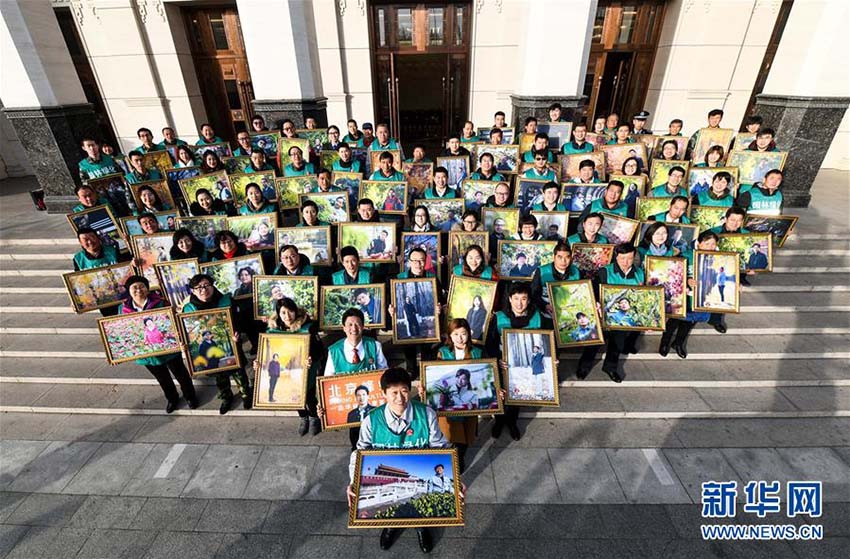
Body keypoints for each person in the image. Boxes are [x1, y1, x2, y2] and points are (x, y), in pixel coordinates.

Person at [346, 368, 456, 554]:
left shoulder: (426, 414)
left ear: (409, 390)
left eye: (404, 391)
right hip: (391, 475)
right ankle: (390, 526)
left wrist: (456, 479)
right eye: (394, 392)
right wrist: (354, 481)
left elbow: (441, 449)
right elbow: (359, 453)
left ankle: (422, 527)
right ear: (384, 393)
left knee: (420, 508)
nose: (400, 398)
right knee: (392, 510)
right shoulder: (371, 420)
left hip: (417, 470)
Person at [120, 275, 198, 412]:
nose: (139, 290)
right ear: (129, 290)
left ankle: (190, 396)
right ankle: (172, 398)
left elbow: (173, 322)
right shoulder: (124, 309)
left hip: (168, 348)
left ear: (147, 288)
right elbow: (124, 330)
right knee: (162, 378)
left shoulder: (161, 303)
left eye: (142, 286)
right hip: (146, 353)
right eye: (134, 287)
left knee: (180, 373)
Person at [181, 274, 253, 414]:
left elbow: (239, 319)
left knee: (239, 372)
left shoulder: (226, 301)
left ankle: (246, 395)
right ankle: (226, 397)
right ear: (193, 291)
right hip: (211, 353)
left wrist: (237, 332)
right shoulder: (189, 309)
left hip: (232, 344)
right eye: (198, 287)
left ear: (213, 286)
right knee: (219, 376)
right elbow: (188, 332)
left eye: (206, 285)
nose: (203, 290)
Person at [576, 243, 644, 382]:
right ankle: (584, 367)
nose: (626, 262)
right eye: (622, 258)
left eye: (630, 258)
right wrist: (597, 303)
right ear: (616, 257)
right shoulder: (605, 271)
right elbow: (595, 291)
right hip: (603, 314)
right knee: (594, 342)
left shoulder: (639, 273)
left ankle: (610, 367)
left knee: (617, 344)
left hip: (623, 317)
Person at [486, 282, 544, 441]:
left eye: (523, 299)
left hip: (525, 363)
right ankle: (499, 422)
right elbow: (490, 343)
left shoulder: (536, 317)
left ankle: (512, 423)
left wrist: (551, 358)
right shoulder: (499, 317)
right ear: (510, 299)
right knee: (501, 394)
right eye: (516, 298)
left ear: (529, 300)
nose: (519, 303)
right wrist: (497, 360)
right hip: (503, 363)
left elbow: (545, 341)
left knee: (517, 395)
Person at [263, 297, 324, 435]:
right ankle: (303, 417)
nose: (287, 316)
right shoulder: (273, 330)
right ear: (278, 313)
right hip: (286, 369)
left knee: (309, 396)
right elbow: (268, 352)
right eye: (283, 312)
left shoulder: (307, 327)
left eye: (290, 311)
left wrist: (311, 358)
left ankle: (314, 417)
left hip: (306, 370)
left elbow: (319, 350)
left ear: (295, 311)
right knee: (294, 395)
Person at [659, 231, 722, 358]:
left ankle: (678, 343)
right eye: (707, 243)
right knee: (674, 319)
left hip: (701, 296)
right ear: (699, 243)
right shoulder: (686, 255)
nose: (710, 247)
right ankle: (664, 343)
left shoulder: (718, 259)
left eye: (713, 244)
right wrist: (687, 280)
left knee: (690, 321)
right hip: (683, 294)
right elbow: (674, 272)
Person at [530, 241, 580, 315]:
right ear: (554, 257)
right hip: (546, 313)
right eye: (560, 257)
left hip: (569, 312)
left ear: (571, 258)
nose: (563, 261)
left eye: (567, 257)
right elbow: (533, 294)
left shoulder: (576, 272)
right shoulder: (542, 271)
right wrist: (545, 306)